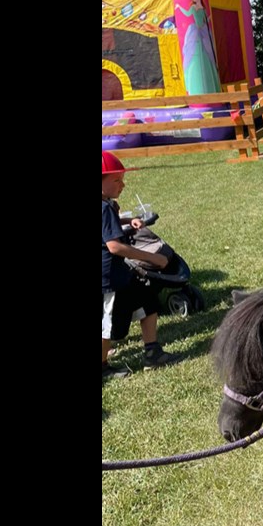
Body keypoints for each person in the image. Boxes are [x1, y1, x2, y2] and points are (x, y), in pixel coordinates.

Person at [102, 151, 182, 379]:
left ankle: (152, 353)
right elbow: (114, 247)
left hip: (119, 275)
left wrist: (127, 220)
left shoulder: (107, 204)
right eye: (116, 180)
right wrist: (152, 258)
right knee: (106, 324)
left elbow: (107, 225)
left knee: (147, 300)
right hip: (109, 278)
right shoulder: (105, 208)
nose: (122, 184)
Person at [175, 0, 221, 95]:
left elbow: (204, 20)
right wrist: (179, 7)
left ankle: (212, 83)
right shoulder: (194, 7)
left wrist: (209, 18)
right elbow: (186, 13)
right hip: (196, 32)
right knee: (193, 54)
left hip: (203, 31)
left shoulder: (202, 8)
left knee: (207, 54)